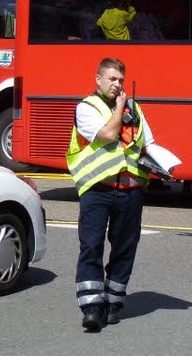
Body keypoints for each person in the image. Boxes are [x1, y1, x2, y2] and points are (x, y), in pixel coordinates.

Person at [66, 57, 155, 332]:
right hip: (97, 189)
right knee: (91, 246)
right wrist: (119, 108)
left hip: (130, 191)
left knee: (125, 248)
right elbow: (107, 134)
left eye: (120, 80)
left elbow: (147, 144)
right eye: (111, 79)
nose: (117, 85)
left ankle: (114, 303)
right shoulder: (87, 107)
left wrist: (160, 165)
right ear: (98, 79)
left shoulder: (135, 109)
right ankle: (92, 308)